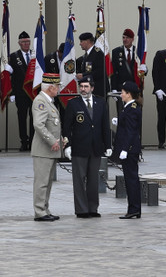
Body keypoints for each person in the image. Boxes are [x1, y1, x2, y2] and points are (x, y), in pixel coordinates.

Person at [62, 77, 112, 218]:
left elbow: (105, 126)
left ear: (92, 88)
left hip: (95, 147)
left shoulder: (101, 103)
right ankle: (81, 210)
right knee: (79, 180)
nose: (83, 89)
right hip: (79, 147)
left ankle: (92, 208)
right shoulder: (73, 104)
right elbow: (67, 127)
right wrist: (68, 145)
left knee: (93, 181)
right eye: (81, 86)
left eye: (86, 86)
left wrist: (108, 145)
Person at [31, 73, 64, 222]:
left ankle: (45, 208)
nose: (59, 89)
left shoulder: (48, 100)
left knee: (48, 183)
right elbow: (39, 124)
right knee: (42, 182)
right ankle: (39, 211)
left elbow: (52, 125)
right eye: (58, 86)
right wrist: (52, 141)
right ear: (51, 87)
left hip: (50, 150)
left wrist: (60, 140)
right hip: (43, 150)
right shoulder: (41, 101)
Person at [114, 81, 142, 219]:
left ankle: (134, 209)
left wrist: (125, 149)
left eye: (123, 92)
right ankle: (134, 208)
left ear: (129, 94)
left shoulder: (132, 108)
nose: (121, 95)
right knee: (130, 179)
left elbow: (131, 131)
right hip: (130, 149)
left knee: (131, 180)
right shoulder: (129, 107)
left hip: (130, 150)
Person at [7, 31, 34, 151]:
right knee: (22, 118)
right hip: (20, 92)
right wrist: (11, 93)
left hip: (34, 92)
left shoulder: (35, 55)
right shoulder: (13, 56)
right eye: (23, 42)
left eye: (28, 42)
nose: (26, 44)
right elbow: (9, 77)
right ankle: (24, 141)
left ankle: (33, 141)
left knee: (34, 118)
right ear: (19, 43)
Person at [76, 33, 109, 99]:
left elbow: (99, 71)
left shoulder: (98, 53)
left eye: (81, 41)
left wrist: (83, 75)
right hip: (89, 90)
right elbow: (87, 70)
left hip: (98, 90)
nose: (80, 44)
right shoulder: (86, 55)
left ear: (87, 41)